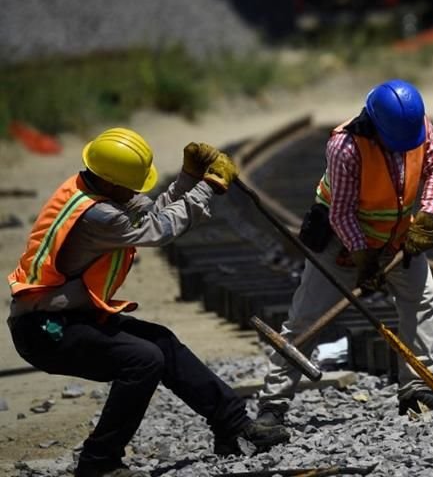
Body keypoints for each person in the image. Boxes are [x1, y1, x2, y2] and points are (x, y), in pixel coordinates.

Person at [7, 128, 289, 477]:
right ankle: (99, 463)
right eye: (131, 185)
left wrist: (188, 178)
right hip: (46, 331)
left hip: (67, 316)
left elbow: (150, 211)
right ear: (110, 183)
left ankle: (233, 425)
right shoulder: (99, 216)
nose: (135, 192)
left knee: (163, 344)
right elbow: (159, 229)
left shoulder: (90, 188)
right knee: (142, 360)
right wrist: (207, 186)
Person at [256, 79, 433, 424]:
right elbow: (341, 212)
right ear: (376, 124)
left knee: (420, 301)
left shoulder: (416, 125)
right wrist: (363, 259)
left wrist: (429, 215)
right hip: (341, 242)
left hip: (396, 238)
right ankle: (273, 403)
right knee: (306, 320)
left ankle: (416, 389)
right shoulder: (345, 147)